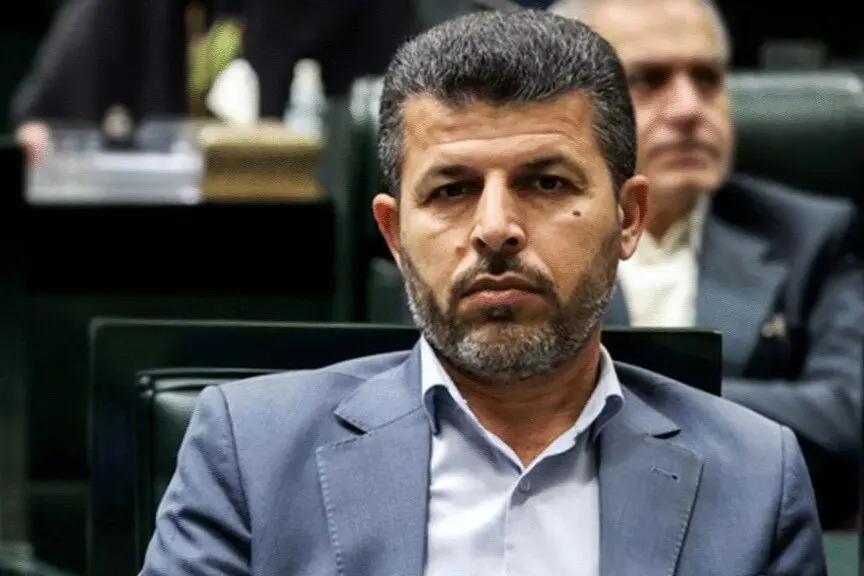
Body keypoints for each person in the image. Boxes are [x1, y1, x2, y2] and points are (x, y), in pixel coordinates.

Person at [140, 10, 826, 575]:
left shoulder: (756, 480)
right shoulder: (250, 454)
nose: (496, 228)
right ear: (394, 234)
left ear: (628, 218)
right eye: (452, 190)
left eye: (546, 183)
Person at [550, 0, 864, 528]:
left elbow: (846, 417)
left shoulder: (812, 235)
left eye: (708, 78)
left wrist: (612, 393)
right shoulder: (517, 237)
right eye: (648, 80)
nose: (689, 108)